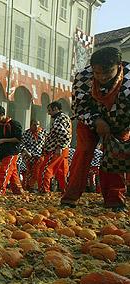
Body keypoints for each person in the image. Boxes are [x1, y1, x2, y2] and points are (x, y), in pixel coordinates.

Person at [62, 47, 129, 210]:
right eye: (97, 73)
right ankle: (70, 197)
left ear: (119, 66)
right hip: (90, 120)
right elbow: (79, 108)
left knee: (116, 157)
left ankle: (114, 199)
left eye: (107, 72)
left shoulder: (128, 80)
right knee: (83, 152)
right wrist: (97, 121)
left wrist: (117, 129)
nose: (102, 77)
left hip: (121, 122)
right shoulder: (82, 77)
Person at [39, 101, 72, 194]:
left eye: (50, 110)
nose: (48, 113)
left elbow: (64, 135)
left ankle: (44, 190)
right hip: (64, 149)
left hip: (55, 149)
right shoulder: (65, 118)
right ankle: (66, 191)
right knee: (62, 172)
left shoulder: (59, 119)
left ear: (56, 109)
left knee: (45, 169)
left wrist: (59, 146)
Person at [0, 106, 23, 195]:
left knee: (4, 171)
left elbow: (18, 138)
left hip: (12, 151)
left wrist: (4, 140)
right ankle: (18, 191)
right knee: (12, 172)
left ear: (2, 115)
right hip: (2, 152)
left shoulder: (14, 124)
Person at [20, 120, 47, 192]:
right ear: (31, 125)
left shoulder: (44, 132)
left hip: (40, 156)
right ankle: (27, 186)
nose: (36, 126)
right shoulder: (26, 133)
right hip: (29, 155)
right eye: (34, 125)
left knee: (37, 171)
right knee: (28, 172)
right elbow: (21, 144)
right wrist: (26, 152)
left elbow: (47, 143)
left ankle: (34, 187)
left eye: (38, 124)